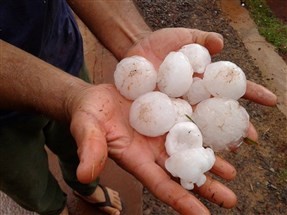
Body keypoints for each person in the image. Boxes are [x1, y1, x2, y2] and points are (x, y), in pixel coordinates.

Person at [0, 1, 277, 215]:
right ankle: (51, 207)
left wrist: (135, 38)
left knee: (77, 147)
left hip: (60, 48)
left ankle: (86, 188)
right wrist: (68, 96)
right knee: (27, 180)